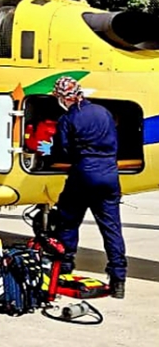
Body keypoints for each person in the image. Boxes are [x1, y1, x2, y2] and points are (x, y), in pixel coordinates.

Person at [48, 76, 127, 298]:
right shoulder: (104, 112)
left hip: (83, 176)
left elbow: (64, 151)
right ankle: (118, 279)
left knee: (68, 221)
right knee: (112, 229)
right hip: (110, 177)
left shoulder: (68, 118)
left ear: (63, 97)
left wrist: (49, 150)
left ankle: (64, 267)